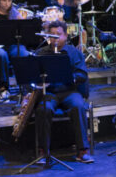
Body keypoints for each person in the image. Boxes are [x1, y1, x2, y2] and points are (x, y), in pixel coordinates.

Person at [33, 20, 93, 163]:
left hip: (69, 91)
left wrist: (70, 77)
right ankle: (44, 152)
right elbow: (33, 75)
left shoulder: (74, 52)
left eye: (58, 34)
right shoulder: (41, 53)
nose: (55, 38)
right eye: (52, 35)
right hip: (50, 92)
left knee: (78, 106)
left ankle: (82, 151)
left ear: (65, 36)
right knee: (44, 109)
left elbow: (82, 74)